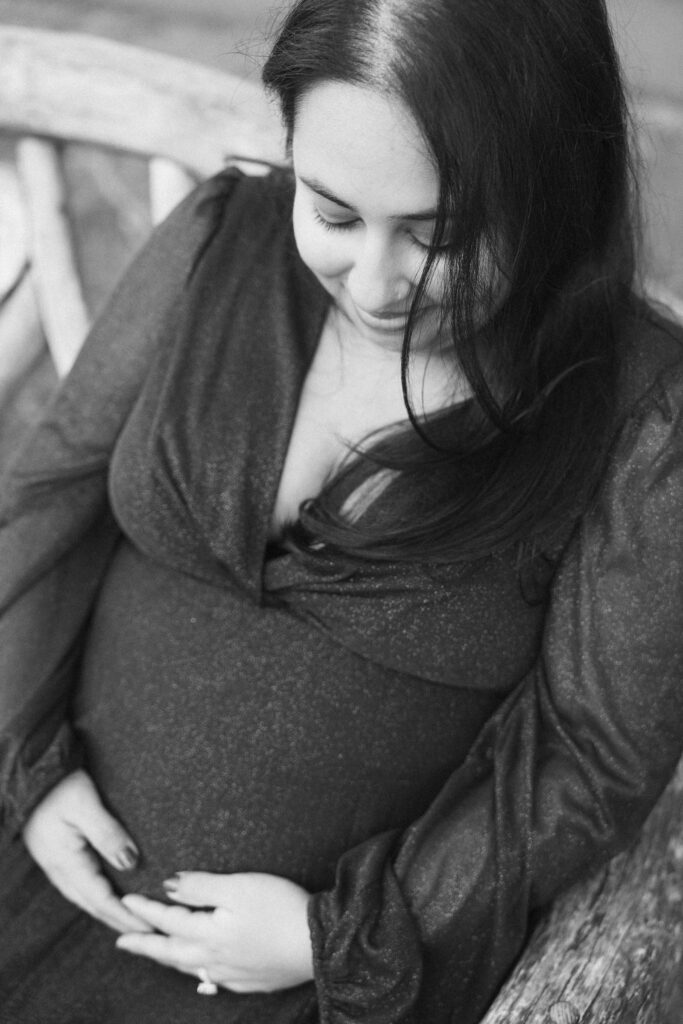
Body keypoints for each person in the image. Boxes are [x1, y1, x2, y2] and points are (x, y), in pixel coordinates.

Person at [0, 0, 682, 1021]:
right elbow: (49, 497)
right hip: (40, 846)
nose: (373, 282)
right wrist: (27, 766)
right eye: (330, 212)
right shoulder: (216, 239)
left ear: (552, 189)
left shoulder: (634, 409)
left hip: (319, 974)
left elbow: (592, 752)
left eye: (437, 235)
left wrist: (340, 936)